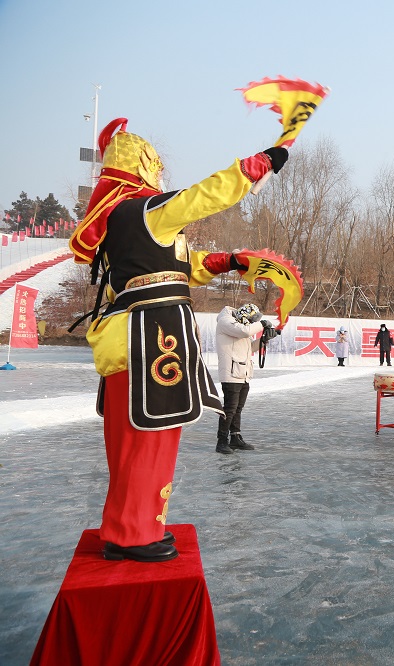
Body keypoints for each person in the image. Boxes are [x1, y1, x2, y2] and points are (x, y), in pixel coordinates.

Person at [68, 117, 289, 562]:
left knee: (138, 438)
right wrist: (260, 164)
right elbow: (201, 197)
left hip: (139, 336)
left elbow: (182, 266)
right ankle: (134, 534)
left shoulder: (124, 222)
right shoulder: (143, 211)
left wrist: (229, 261)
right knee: (147, 438)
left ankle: (129, 527)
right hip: (149, 338)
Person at [215, 303, 270, 454]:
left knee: (237, 409)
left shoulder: (239, 325)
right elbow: (245, 331)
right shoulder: (226, 321)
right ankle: (221, 441)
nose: (252, 323)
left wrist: (263, 340)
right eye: (252, 320)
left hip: (243, 373)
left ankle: (235, 438)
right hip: (231, 373)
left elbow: (250, 347)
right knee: (230, 408)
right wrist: (262, 324)